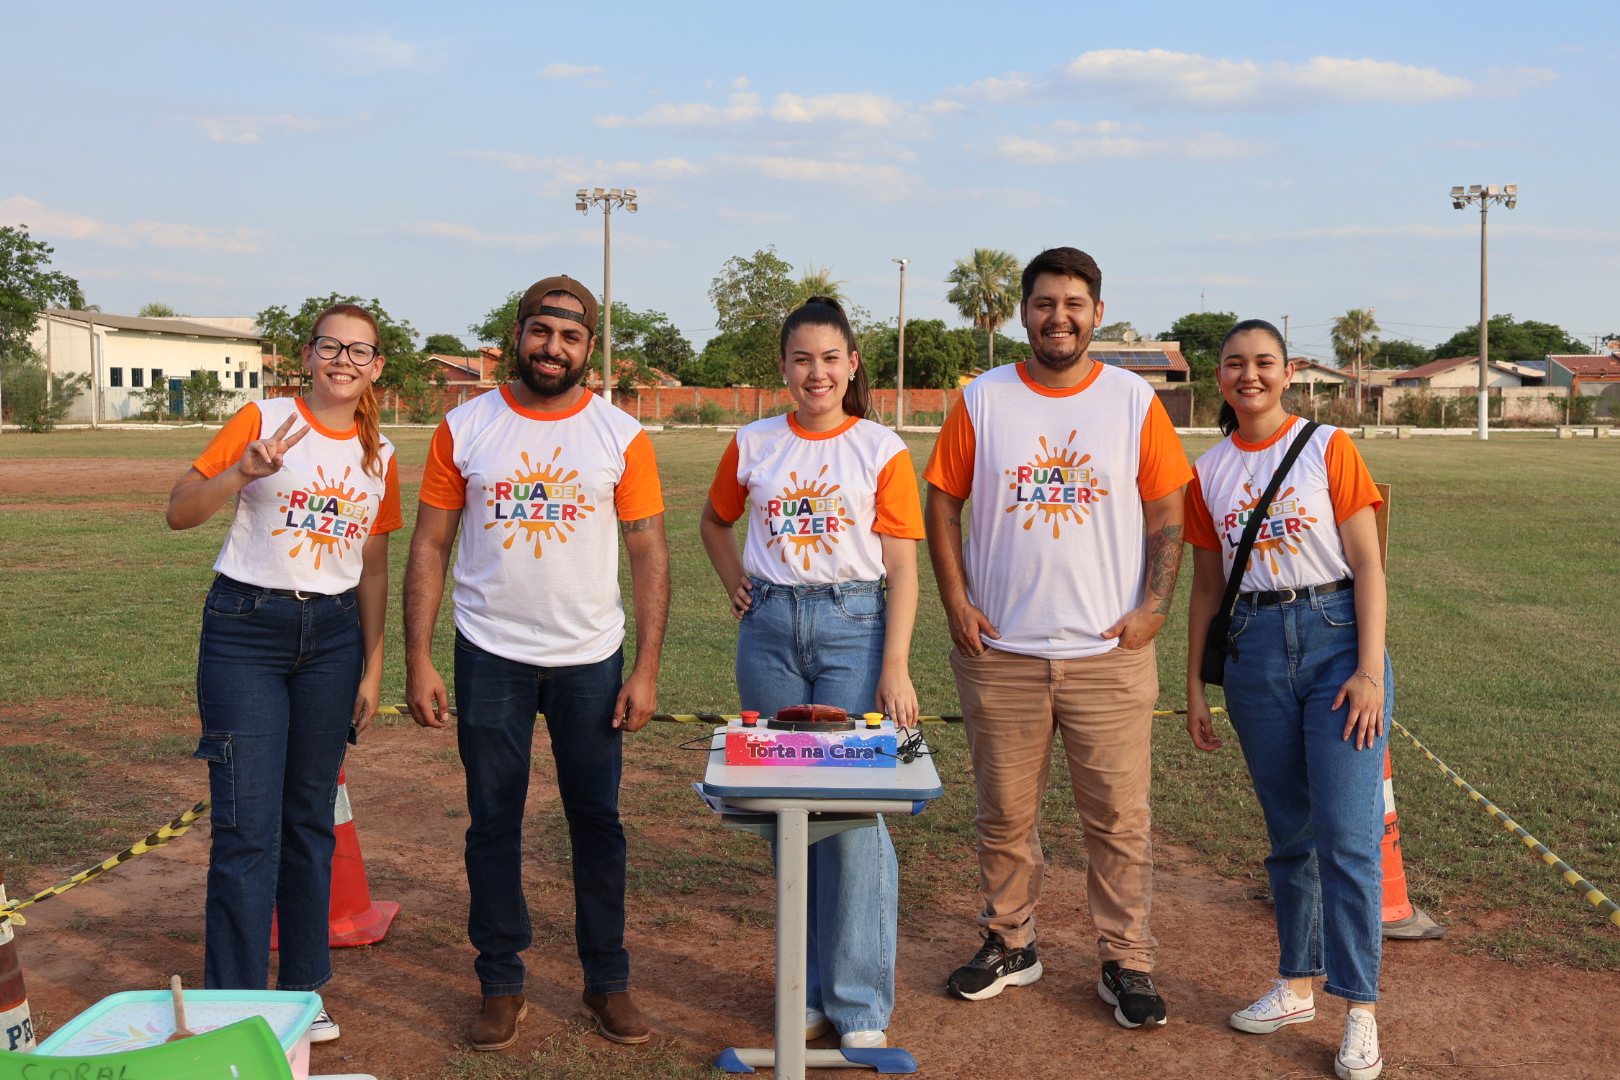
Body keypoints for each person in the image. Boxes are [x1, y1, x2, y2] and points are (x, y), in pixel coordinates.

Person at [922, 247, 1192, 1027]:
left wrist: (1155, 607)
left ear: (1098, 313)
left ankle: (1126, 961)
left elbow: (1169, 511)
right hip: (1001, 652)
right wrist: (956, 603)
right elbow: (941, 504)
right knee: (1004, 815)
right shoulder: (984, 398)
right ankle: (1011, 942)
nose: (1059, 317)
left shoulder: (1134, 400)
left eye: (1074, 303)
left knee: (1118, 819)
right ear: (1023, 313)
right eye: (1044, 303)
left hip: (1108, 655)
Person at [403, 275, 670, 1052]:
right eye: (542, 331)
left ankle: (607, 980)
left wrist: (645, 668)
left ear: (590, 347)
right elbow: (429, 543)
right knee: (494, 823)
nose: (554, 347)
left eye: (572, 335)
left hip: (591, 657)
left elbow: (649, 551)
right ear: (517, 335)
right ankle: (500, 983)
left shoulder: (620, 435)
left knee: (598, 824)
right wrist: (419, 659)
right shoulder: (466, 428)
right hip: (490, 655)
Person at [167, 302, 401, 1043]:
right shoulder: (261, 418)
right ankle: (230, 1006)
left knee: (309, 823)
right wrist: (243, 469)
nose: (343, 360)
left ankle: (302, 994)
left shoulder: (381, 454)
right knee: (245, 829)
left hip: (331, 641)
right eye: (330, 346)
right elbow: (179, 511)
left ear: (377, 369)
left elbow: (372, 565)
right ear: (306, 355)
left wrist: (374, 665)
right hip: (247, 632)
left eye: (359, 351)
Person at [699, 297, 924, 1051]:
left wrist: (894, 667)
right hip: (768, 633)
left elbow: (901, 567)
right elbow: (714, 520)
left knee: (854, 816)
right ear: (784, 367)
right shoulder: (755, 442)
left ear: (852, 364)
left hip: (852, 631)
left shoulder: (880, 447)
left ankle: (858, 1005)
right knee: (783, 812)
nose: (816, 373)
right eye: (802, 359)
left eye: (830, 358)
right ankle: (806, 989)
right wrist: (736, 579)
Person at [1183, 319, 1390, 1080]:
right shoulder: (1205, 471)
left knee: (1346, 835)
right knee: (1289, 834)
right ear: (1219, 376)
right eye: (1235, 364)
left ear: (1289, 370)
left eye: (1264, 363)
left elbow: (1369, 565)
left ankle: (1359, 1008)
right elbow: (1207, 586)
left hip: (1336, 642)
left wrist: (1369, 670)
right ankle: (1296, 983)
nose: (1250, 376)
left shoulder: (1328, 447)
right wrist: (1195, 686)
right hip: (1254, 653)